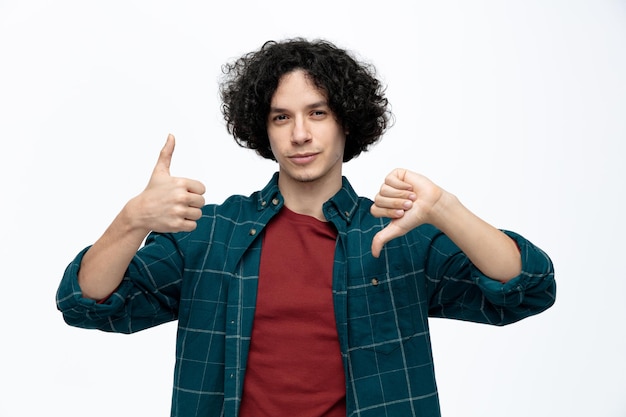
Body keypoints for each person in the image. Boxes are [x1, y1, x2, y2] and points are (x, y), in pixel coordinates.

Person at [56, 38, 556, 417]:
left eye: (317, 113)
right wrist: (131, 222)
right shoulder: (210, 234)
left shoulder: (395, 235)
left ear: (345, 123)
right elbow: (87, 303)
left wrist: (446, 207)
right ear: (263, 130)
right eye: (281, 118)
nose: (300, 134)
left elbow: (526, 287)